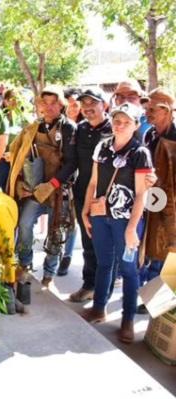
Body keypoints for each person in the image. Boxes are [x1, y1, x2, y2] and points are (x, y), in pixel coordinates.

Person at [80, 103, 152, 344]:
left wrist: (132, 227)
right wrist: (85, 210)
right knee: (104, 262)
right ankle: (99, 307)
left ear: (135, 125)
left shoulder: (140, 153)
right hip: (101, 216)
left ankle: (128, 319)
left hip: (126, 221)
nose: (120, 125)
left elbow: (142, 194)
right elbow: (93, 182)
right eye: (117, 120)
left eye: (126, 122)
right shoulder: (103, 147)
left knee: (129, 270)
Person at [7, 86, 77, 288]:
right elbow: (18, 156)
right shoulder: (32, 128)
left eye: (53, 102)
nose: (48, 107)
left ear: (61, 104)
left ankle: (49, 273)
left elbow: (72, 163)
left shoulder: (68, 128)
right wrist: (21, 183)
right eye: (44, 102)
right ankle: (25, 263)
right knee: (25, 223)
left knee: (56, 232)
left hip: (58, 190)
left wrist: (53, 184)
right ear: (38, 105)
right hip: (35, 191)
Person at [67, 88, 113, 301]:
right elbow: (72, 161)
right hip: (82, 193)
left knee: (106, 245)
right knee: (87, 241)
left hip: (108, 196)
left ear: (103, 105)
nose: (88, 108)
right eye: (84, 104)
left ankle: (104, 291)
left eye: (92, 103)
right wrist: (55, 182)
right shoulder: (80, 129)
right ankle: (89, 284)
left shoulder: (116, 128)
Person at [138, 88, 176, 312]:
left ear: (166, 111)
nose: (148, 112)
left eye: (153, 109)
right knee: (152, 250)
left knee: (169, 252)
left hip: (171, 203)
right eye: (147, 107)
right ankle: (152, 301)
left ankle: (159, 304)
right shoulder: (149, 135)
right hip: (152, 200)